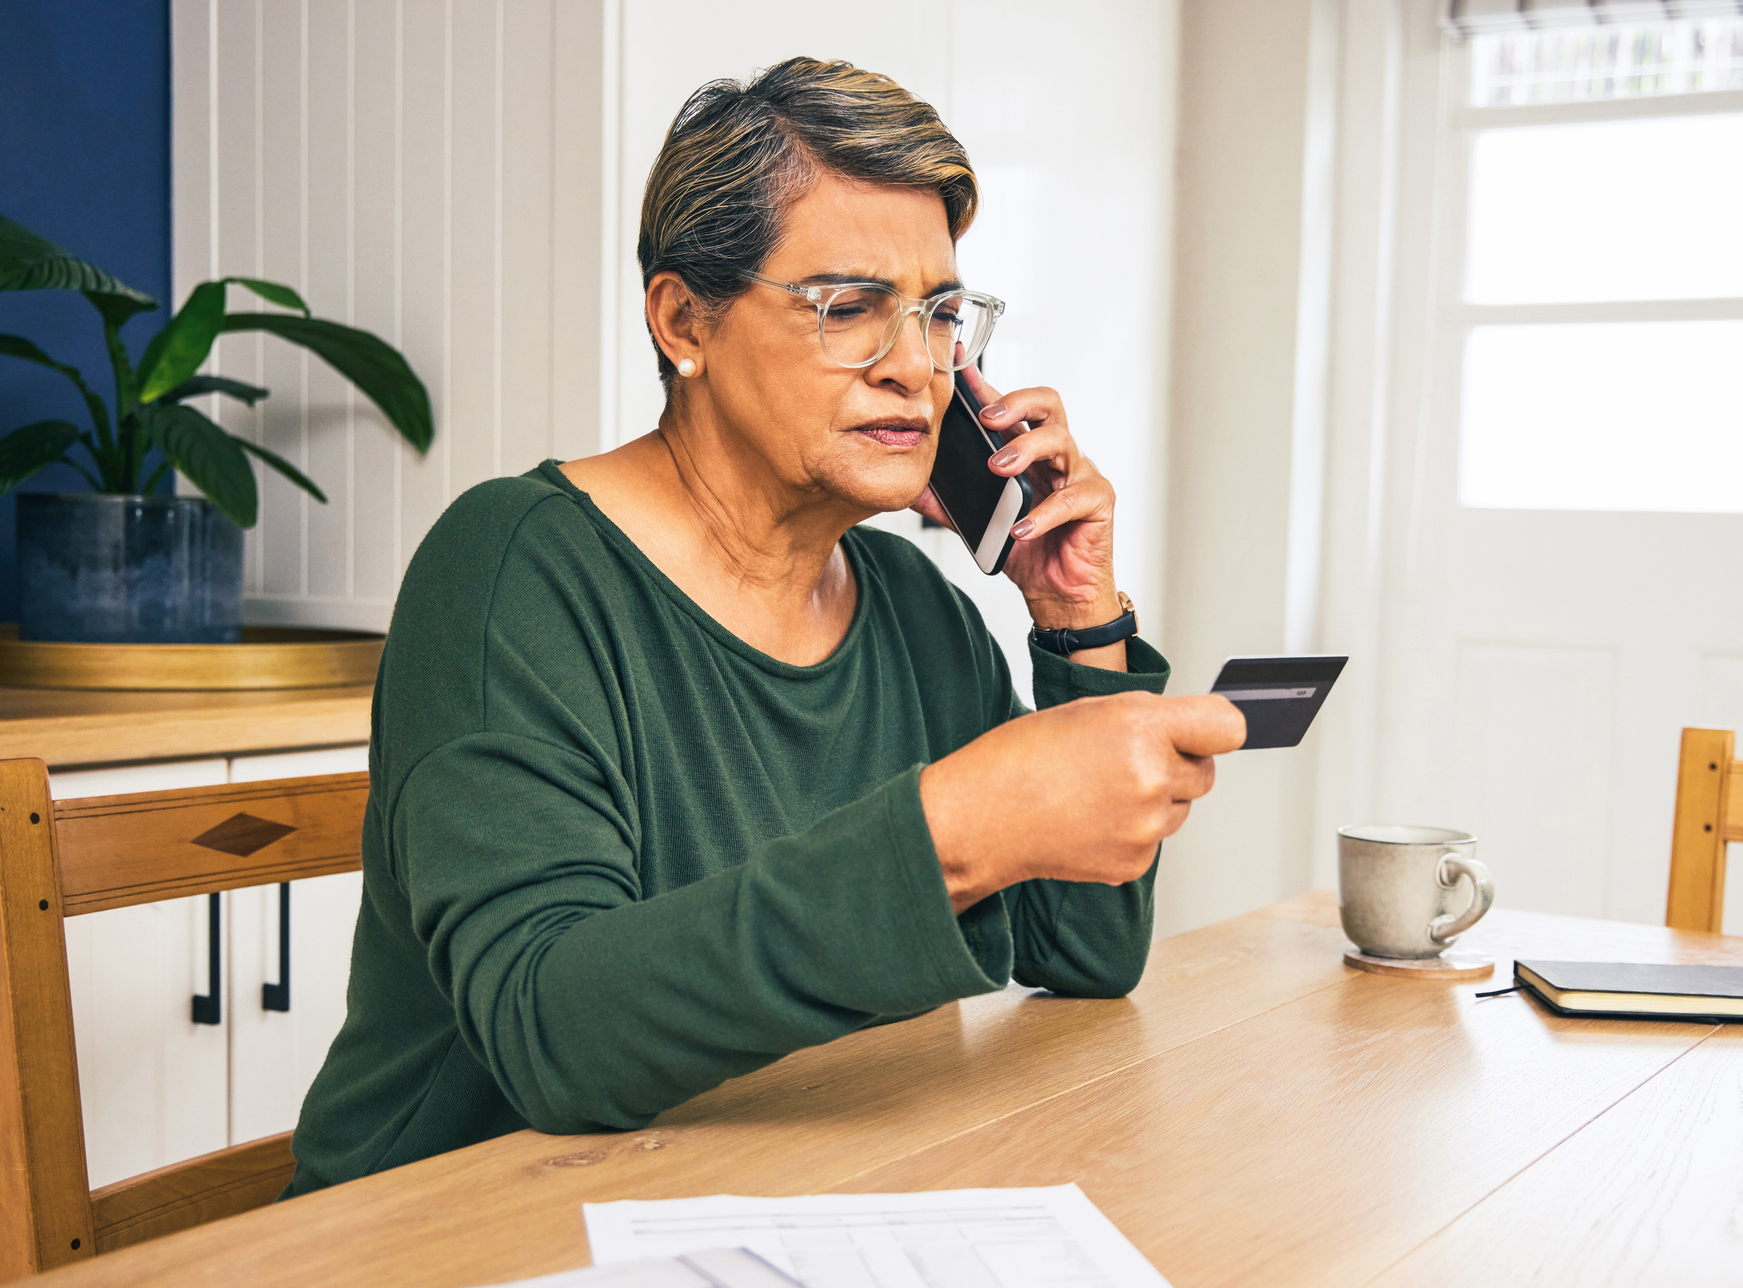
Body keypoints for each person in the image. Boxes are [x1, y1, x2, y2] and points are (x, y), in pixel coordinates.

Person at [283, 56, 1244, 1196]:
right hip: (455, 1238)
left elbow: (1084, 957)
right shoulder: (513, 568)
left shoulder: (915, 607)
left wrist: (1075, 615)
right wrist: (956, 828)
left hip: (773, 1202)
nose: (914, 369)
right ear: (683, 318)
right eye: (848, 308)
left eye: (937, 314)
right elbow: (548, 1031)